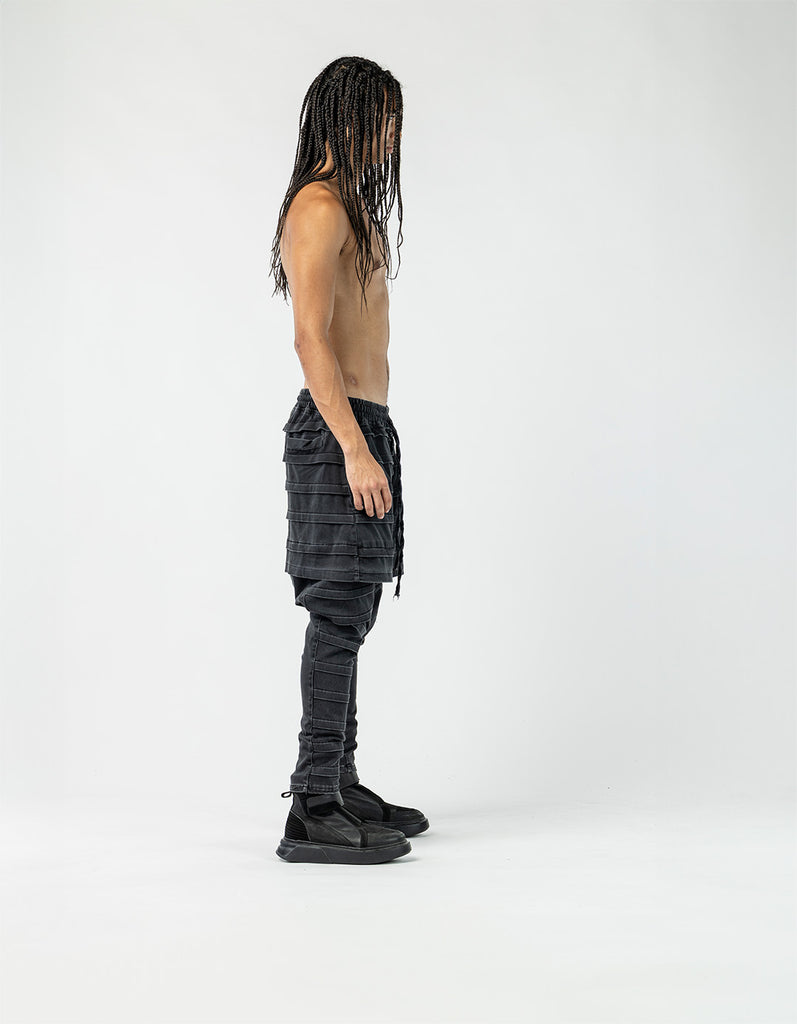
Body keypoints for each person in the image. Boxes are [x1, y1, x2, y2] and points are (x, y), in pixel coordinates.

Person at [268, 56, 429, 865]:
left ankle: (340, 779)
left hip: (363, 426)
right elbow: (309, 339)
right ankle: (312, 804)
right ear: (351, 115)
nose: (391, 137)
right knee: (336, 612)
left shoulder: (351, 208)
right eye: (384, 120)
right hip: (338, 433)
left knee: (354, 608)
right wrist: (354, 449)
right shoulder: (320, 206)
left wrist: (370, 439)